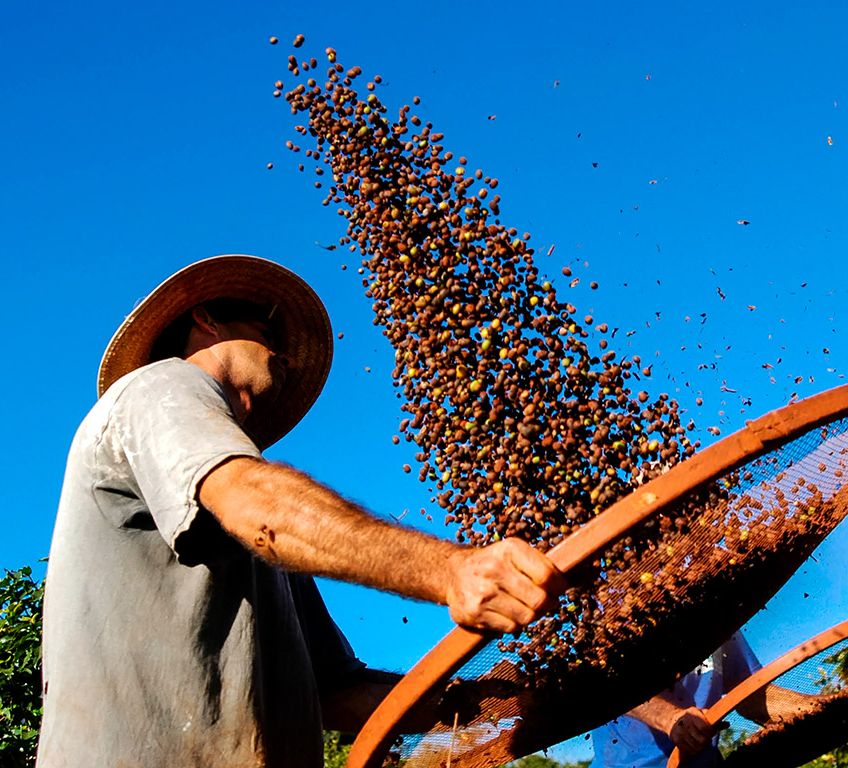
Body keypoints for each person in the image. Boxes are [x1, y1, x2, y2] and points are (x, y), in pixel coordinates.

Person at [37, 254, 564, 768]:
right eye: (270, 334)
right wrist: (453, 570)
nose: (286, 356)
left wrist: (508, 701)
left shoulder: (262, 529)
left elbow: (335, 692)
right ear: (207, 320)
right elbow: (259, 507)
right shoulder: (158, 387)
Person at [590, 632, 760, 768]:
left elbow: (755, 696)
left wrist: (786, 716)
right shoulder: (617, 628)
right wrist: (670, 718)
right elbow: (609, 687)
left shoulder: (717, 619)